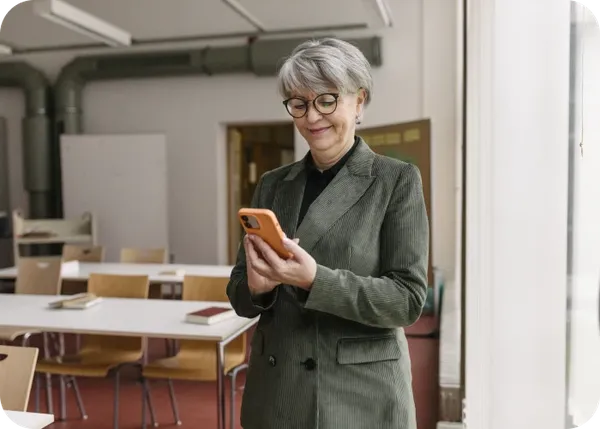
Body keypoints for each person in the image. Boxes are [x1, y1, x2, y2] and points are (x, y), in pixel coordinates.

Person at [226, 37, 429, 429]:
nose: (311, 117)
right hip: (278, 390)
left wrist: (315, 280)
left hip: (358, 393)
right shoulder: (273, 184)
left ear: (359, 102)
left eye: (326, 100)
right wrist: (258, 288)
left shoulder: (395, 180)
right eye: (299, 104)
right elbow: (240, 296)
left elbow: (407, 300)